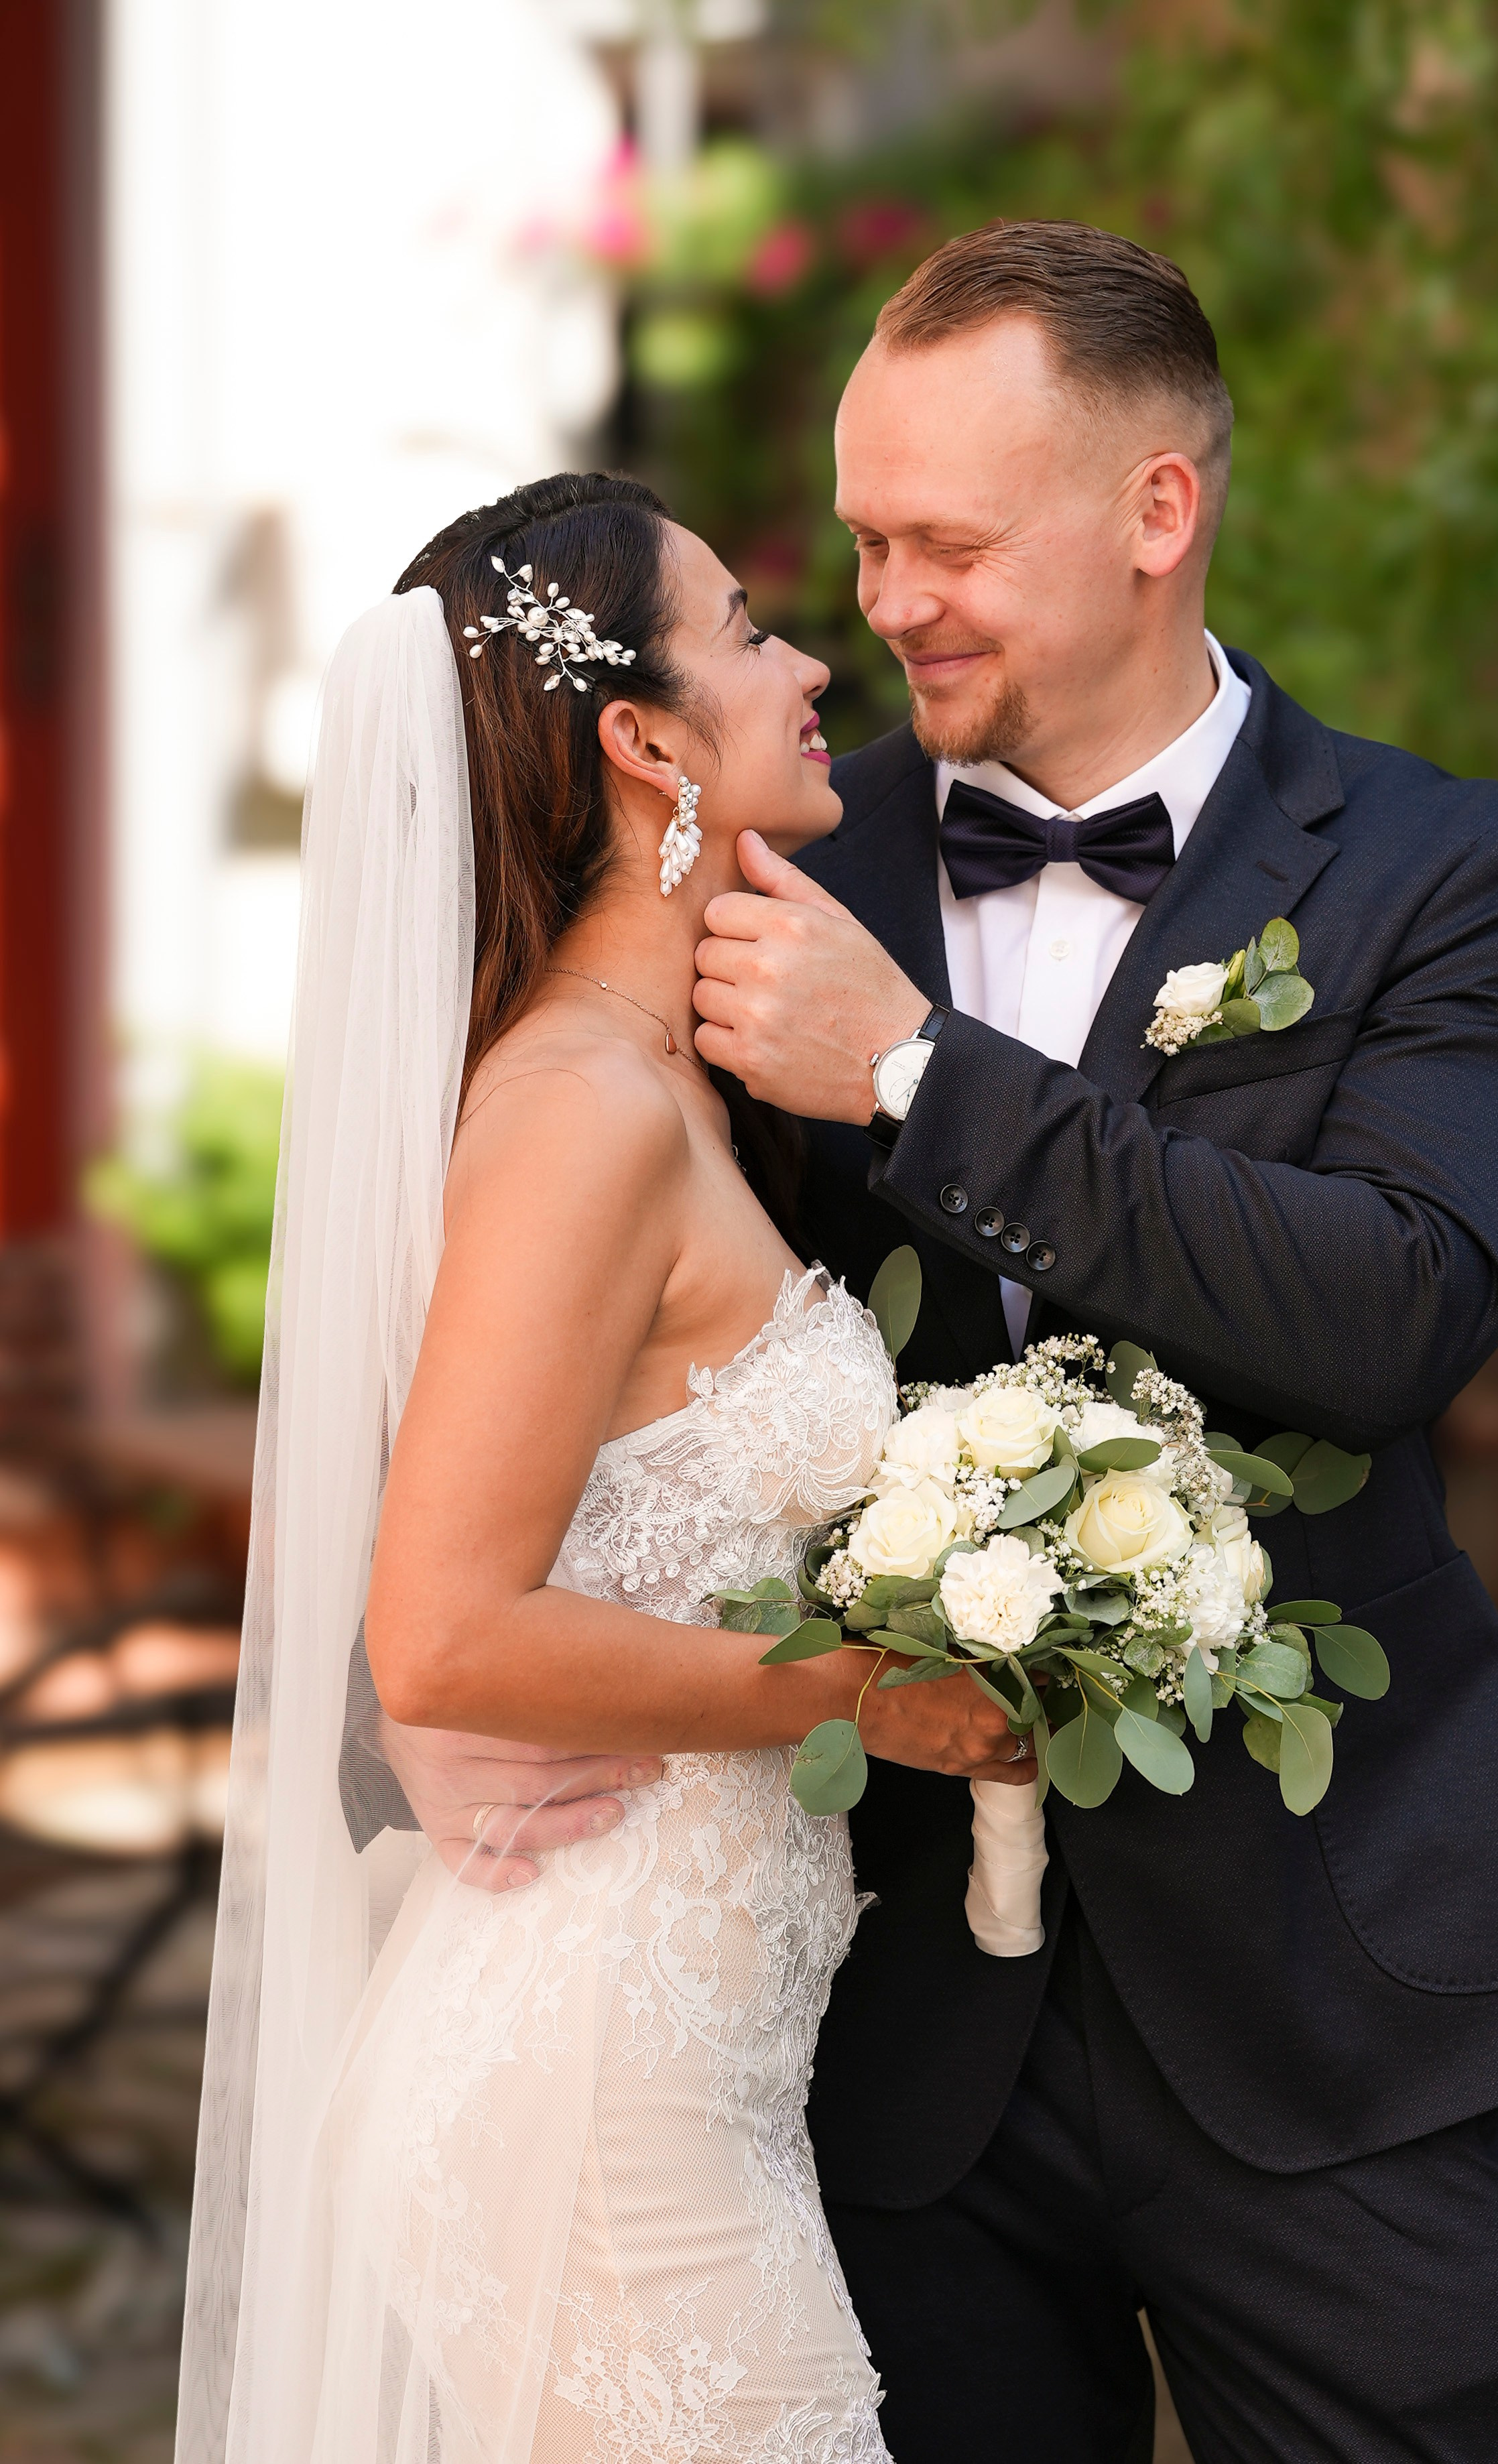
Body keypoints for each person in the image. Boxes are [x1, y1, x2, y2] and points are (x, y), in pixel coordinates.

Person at [379, 224, 1498, 2461]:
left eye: (947, 540)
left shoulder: (1471, 880)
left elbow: (1391, 1312)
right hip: (876, 2039)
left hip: (1332, 2002)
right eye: (858, 542)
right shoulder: (759, 868)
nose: (887, 603)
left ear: (1160, 512)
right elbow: (533, 1308)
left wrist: (927, 1084)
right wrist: (445, 1699)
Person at [176, 473, 1034, 2464]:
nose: (817, 658)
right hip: (590, 2108)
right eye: (747, 628)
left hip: (668, 2077)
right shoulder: (580, 1110)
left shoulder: (666, 1094)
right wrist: (867, 1690)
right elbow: (445, 1633)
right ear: (644, 741)